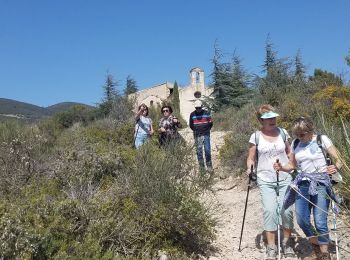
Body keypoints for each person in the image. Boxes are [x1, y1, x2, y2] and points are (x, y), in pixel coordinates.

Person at [273, 117, 342, 260]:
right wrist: (281, 168)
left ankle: (324, 254)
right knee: (302, 219)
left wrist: (335, 167)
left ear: (311, 130)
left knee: (320, 220)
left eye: (302, 134)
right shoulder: (296, 143)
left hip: (321, 183)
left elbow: (339, 159)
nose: (300, 137)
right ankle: (318, 245)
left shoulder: (322, 140)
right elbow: (292, 165)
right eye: (297, 134)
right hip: (302, 184)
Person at [246, 104, 294, 259]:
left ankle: (287, 243)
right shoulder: (256, 136)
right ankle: (271, 247)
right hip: (265, 178)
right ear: (261, 120)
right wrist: (250, 168)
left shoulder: (283, 132)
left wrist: (291, 166)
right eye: (268, 118)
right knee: (270, 210)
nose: (272, 120)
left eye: (273, 117)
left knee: (286, 211)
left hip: (285, 176)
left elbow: (289, 152)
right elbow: (251, 157)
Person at [189, 100, 213, 172]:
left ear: (202, 107)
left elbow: (211, 123)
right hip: (197, 135)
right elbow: (191, 125)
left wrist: (206, 130)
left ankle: (209, 167)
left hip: (206, 134)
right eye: (196, 108)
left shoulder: (207, 113)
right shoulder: (192, 114)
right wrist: (196, 131)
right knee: (199, 152)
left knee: (207, 150)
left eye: (199, 108)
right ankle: (202, 169)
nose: (198, 109)